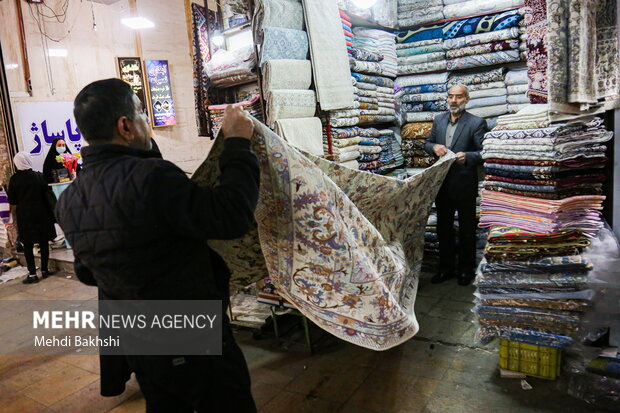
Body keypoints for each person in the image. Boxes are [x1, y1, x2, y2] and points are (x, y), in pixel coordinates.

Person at [55, 78, 259, 412]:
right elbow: (231, 216)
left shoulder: (70, 200)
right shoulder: (153, 177)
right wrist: (237, 144)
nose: (145, 122)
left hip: (141, 345)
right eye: (140, 114)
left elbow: (87, 273)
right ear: (125, 126)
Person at [424, 84, 488, 286]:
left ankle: (466, 270)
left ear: (467, 99)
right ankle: (446, 268)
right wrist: (433, 147)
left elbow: (484, 152)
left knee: (467, 229)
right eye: (450, 96)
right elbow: (427, 143)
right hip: (442, 184)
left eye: (458, 97)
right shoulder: (439, 120)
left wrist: (467, 157)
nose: (453, 100)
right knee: (444, 229)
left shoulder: (476, 123)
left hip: (464, 184)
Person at [7, 152, 56, 284]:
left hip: (25, 216)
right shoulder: (38, 176)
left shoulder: (14, 180)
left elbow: (12, 200)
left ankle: (33, 274)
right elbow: (47, 195)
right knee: (43, 242)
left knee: (27, 245)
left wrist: (10, 217)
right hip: (42, 213)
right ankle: (45, 270)